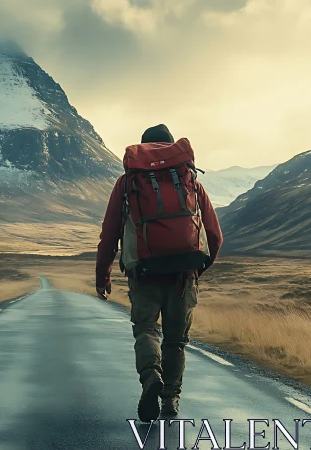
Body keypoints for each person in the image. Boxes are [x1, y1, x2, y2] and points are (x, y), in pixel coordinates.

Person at [95, 124, 223, 421]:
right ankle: (169, 402)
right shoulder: (190, 180)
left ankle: (151, 375)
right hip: (184, 273)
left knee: (146, 330)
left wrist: (103, 277)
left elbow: (109, 233)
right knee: (176, 341)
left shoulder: (128, 182)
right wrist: (198, 268)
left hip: (144, 272)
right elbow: (215, 235)